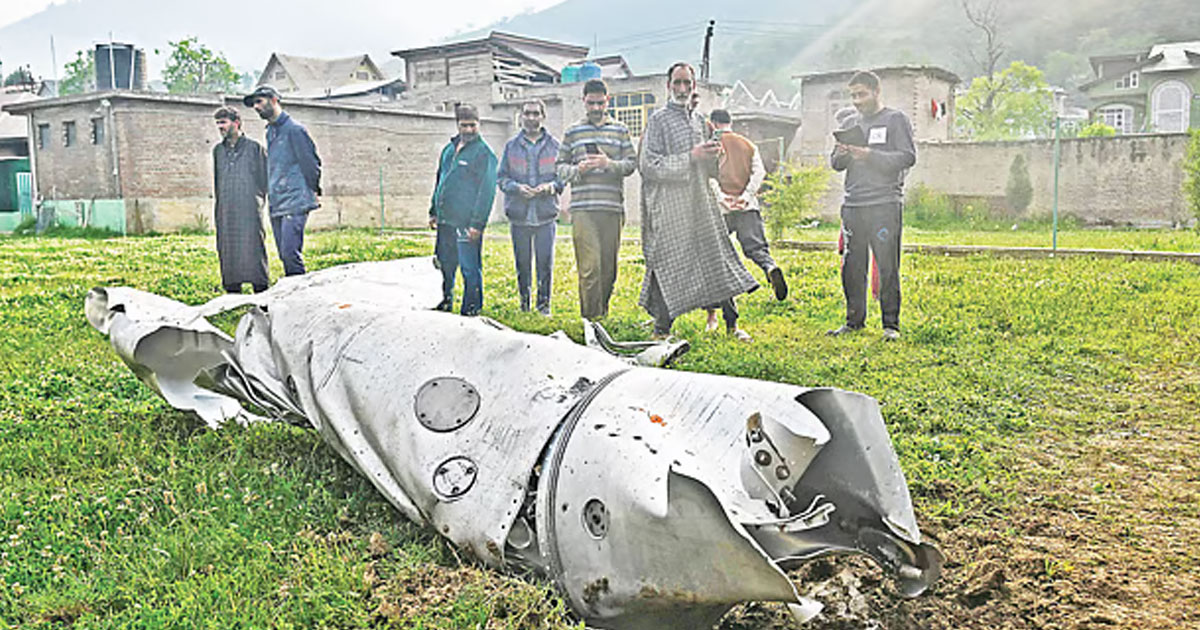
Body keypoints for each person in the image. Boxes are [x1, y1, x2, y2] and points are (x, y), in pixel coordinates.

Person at [638, 62, 758, 341]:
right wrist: (691, 156)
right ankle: (661, 329)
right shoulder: (658, 120)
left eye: (687, 84)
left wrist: (715, 157)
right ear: (668, 86)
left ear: (693, 86)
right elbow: (649, 165)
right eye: (677, 83)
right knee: (668, 260)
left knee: (716, 255)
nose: (682, 89)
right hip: (670, 204)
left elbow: (709, 168)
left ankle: (731, 324)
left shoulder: (699, 121)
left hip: (701, 202)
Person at [827, 70, 915, 341]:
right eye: (853, 95)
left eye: (861, 94)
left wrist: (870, 155)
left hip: (884, 203)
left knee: (887, 264)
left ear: (876, 92)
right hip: (853, 203)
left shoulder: (895, 119)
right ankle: (854, 321)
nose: (856, 101)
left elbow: (907, 156)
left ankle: (891, 325)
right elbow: (835, 164)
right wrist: (842, 153)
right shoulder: (851, 123)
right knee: (852, 265)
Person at [556, 79, 637, 321]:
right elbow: (559, 166)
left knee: (608, 270)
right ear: (584, 101)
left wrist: (608, 164)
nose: (595, 108)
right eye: (591, 103)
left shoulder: (620, 130)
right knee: (590, 268)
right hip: (583, 209)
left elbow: (632, 164)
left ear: (607, 101)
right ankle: (591, 321)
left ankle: (602, 313)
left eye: (600, 103)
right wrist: (578, 170)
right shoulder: (572, 132)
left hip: (612, 208)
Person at [703, 108, 788, 332]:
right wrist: (745, 197)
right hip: (747, 207)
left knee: (718, 260)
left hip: (720, 209)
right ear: (730, 123)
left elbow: (709, 176)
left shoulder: (712, 144)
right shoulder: (748, 144)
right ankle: (769, 267)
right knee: (757, 248)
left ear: (712, 124)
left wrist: (723, 199)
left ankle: (723, 318)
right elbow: (758, 173)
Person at [244, 85, 321, 277]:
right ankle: (295, 297)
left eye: (259, 101)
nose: (256, 107)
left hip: (295, 200)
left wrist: (313, 190)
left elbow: (311, 163)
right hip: (277, 201)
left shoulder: (294, 130)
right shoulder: (270, 131)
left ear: (274, 100)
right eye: (253, 104)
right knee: (283, 254)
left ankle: (302, 299)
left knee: (290, 254)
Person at [428, 104, 498, 316]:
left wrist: (477, 224)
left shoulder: (484, 154)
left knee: (469, 267)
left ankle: (471, 308)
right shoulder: (448, 150)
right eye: (464, 125)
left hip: (466, 222)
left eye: (472, 125)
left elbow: (487, 191)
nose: (468, 130)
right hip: (445, 220)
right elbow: (440, 180)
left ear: (479, 124)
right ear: (457, 125)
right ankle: (446, 300)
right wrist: (433, 211)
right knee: (446, 263)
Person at [497, 99, 563, 315]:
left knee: (545, 264)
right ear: (521, 116)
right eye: (527, 113)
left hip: (545, 215)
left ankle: (544, 307)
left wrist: (550, 187)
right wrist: (516, 188)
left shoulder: (555, 146)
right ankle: (524, 306)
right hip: (519, 214)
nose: (531, 118)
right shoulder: (511, 146)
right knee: (522, 264)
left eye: (536, 114)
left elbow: (563, 178)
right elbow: (501, 178)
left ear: (543, 116)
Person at [211, 106, 269, 294]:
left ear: (236, 123)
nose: (220, 127)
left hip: (250, 209)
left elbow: (264, 180)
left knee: (253, 248)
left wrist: (256, 201)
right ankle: (233, 295)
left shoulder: (254, 148)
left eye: (223, 122)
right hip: (226, 210)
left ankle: (260, 294)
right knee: (228, 250)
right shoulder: (218, 151)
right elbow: (218, 181)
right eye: (218, 123)